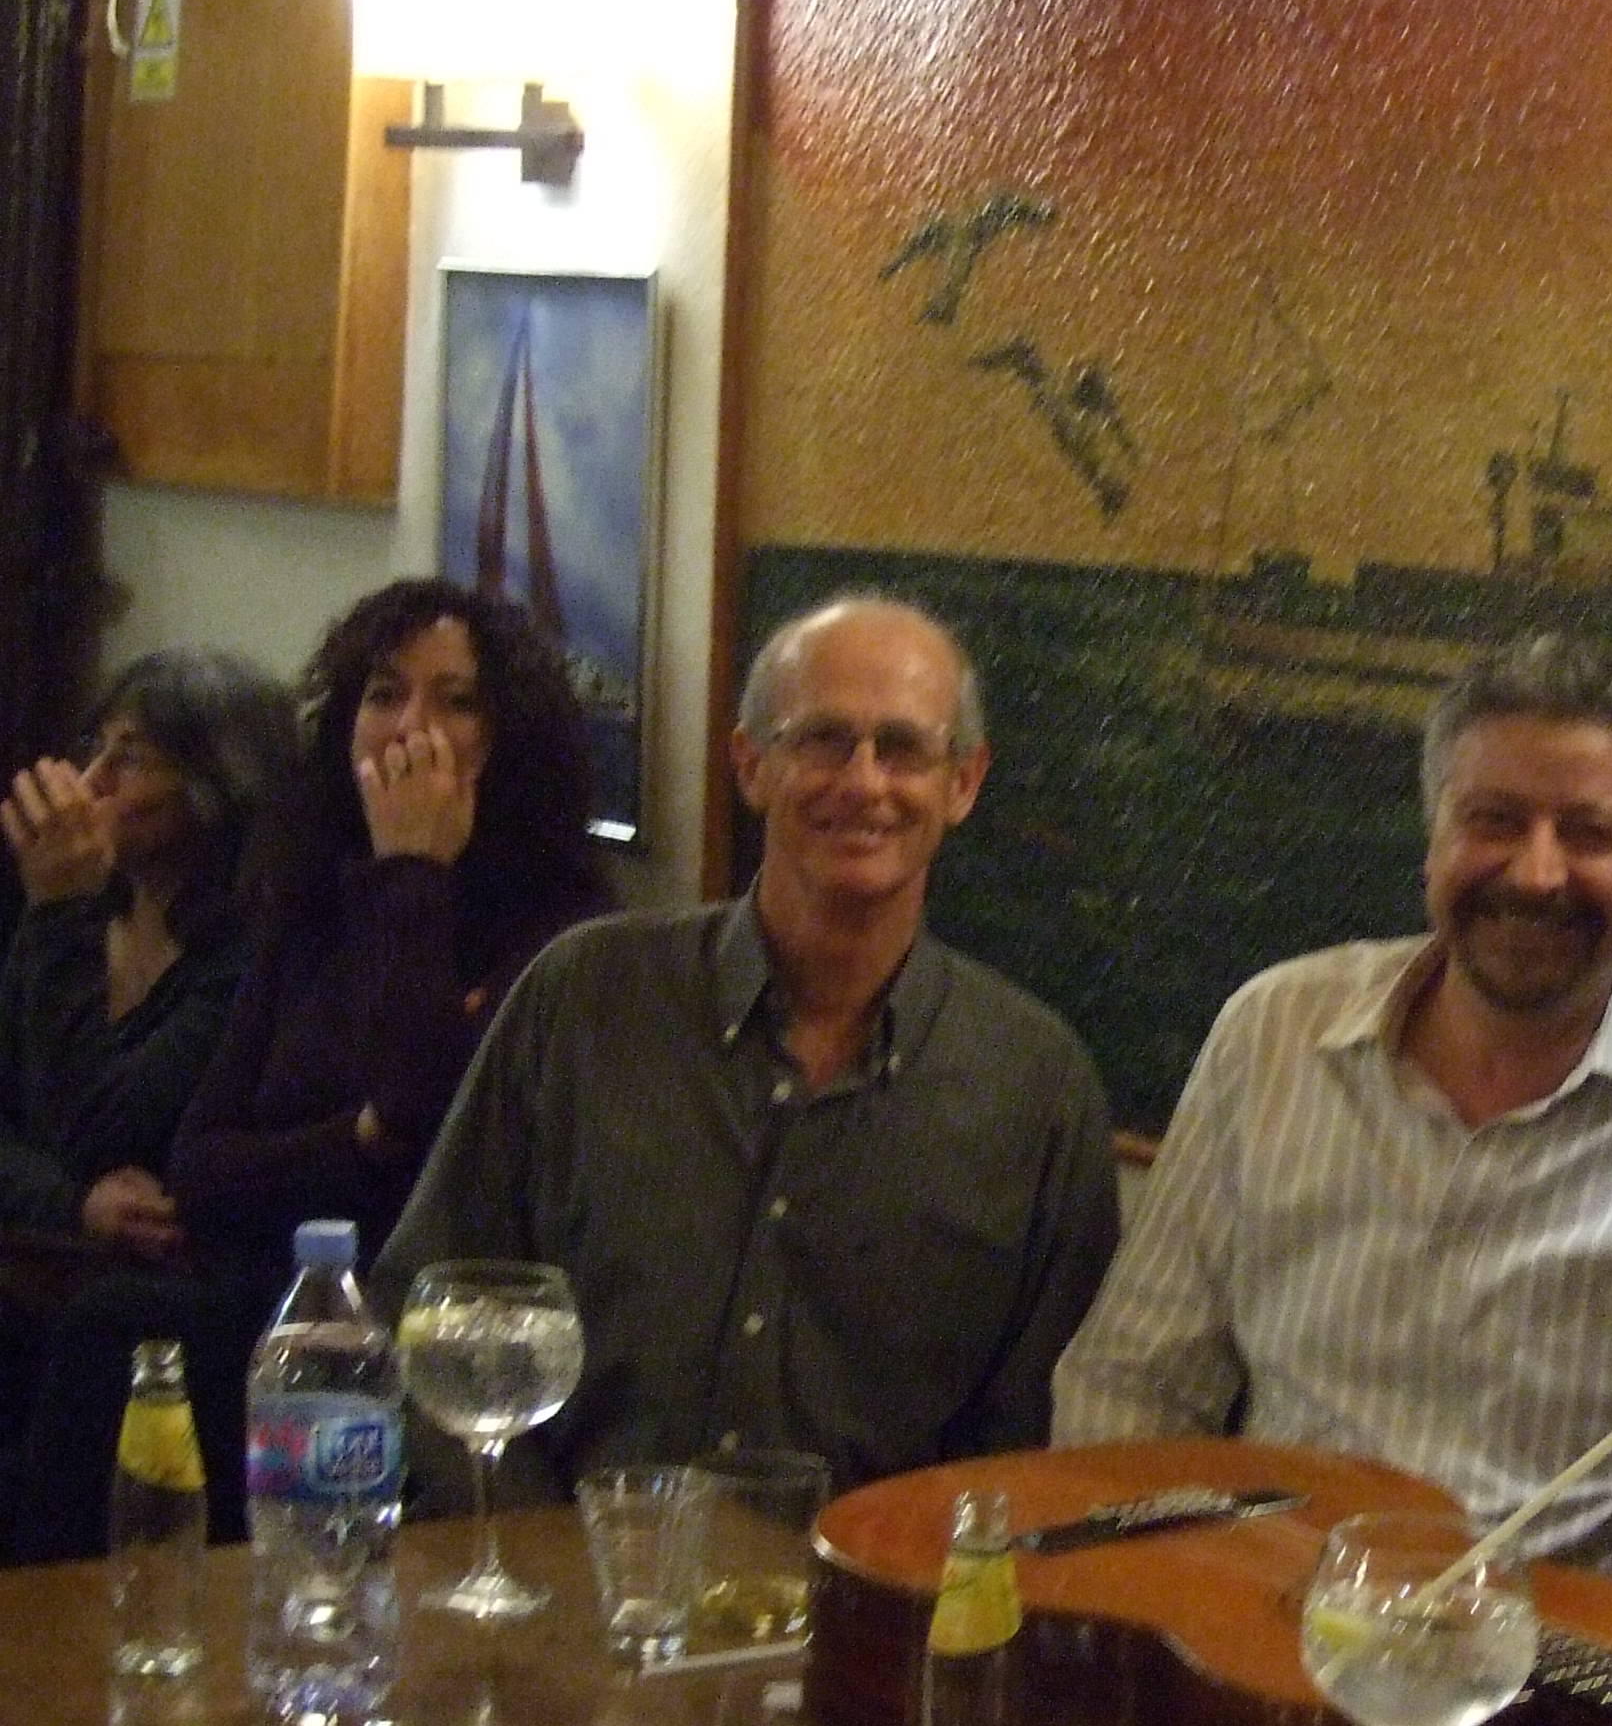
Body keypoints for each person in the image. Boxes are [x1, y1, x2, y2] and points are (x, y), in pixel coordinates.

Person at [1052, 632, 1612, 1719]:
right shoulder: (1271, 1034)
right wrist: (1151, 1650)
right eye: (1493, 820)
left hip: (1588, 1717)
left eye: (1591, 834)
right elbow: (1131, 1387)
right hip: (1265, 1670)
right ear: (1433, 838)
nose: (1535, 873)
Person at [378, 595, 1120, 1502]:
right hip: (565, 1564)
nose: (864, 782)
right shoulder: (582, 1001)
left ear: (962, 783)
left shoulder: (1036, 1092)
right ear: (750, 765)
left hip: (875, 1585)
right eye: (823, 741)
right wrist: (539, 1553)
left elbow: (1035, 1447)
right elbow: (432, 1316)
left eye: (902, 749)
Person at [8, 579, 614, 1558]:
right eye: (384, 694)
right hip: (265, 1292)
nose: (411, 728)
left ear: (510, 737)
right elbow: (202, 1165)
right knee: (102, 1336)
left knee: (117, 1327)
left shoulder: (559, 929)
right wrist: (358, 1138)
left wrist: (414, 872)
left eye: (456, 701)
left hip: (427, 1322)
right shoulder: (305, 899)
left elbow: (424, 1128)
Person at [1, 648, 297, 1262]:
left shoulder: (249, 958)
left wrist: (62, 909)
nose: (90, 782)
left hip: (164, 1283)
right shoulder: (67, 915)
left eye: (130, 758)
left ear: (216, 788)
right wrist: (73, 1205)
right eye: (96, 749)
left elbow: (107, 1136)